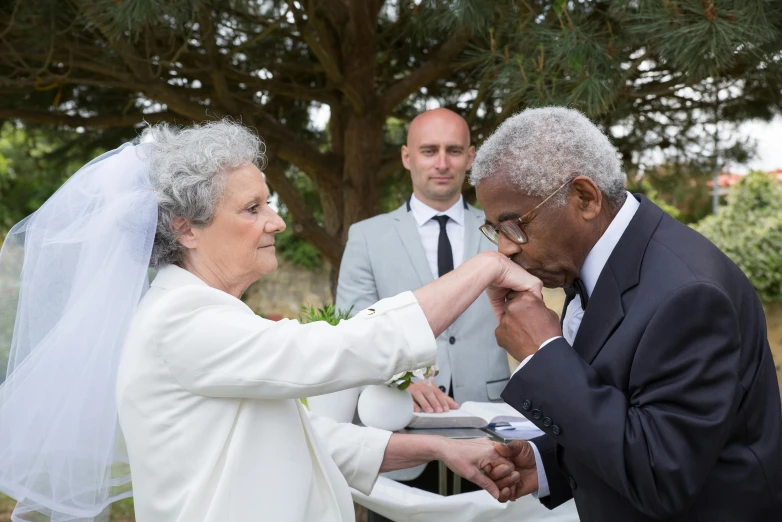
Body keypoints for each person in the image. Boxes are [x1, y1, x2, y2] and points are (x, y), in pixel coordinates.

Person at [0, 120, 534, 522]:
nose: (277, 220)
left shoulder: (208, 313)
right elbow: (343, 348)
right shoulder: (180, 322)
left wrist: (441, 448)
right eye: (252, 208)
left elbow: (302, 435)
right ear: (187, 229)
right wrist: (484, 266)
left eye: (269, 203)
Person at [473, 107, 782, 521]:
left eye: (514, 225)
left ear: (584, 197)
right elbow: (628, 408)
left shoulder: (688, 295)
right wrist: (550, 462)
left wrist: (543, 355)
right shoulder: (598, 261)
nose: (505, 249)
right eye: (495, 229)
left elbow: (662, 473)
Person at [337, 108, 510, 411]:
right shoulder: (366, 236)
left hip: (489, 412)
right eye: (429, 151)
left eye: (453, 151)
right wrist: (401, 380)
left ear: (471, 157)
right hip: (399, 413)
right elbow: (354, 331)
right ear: (407, 157)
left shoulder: (503, 233)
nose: (442, 164)